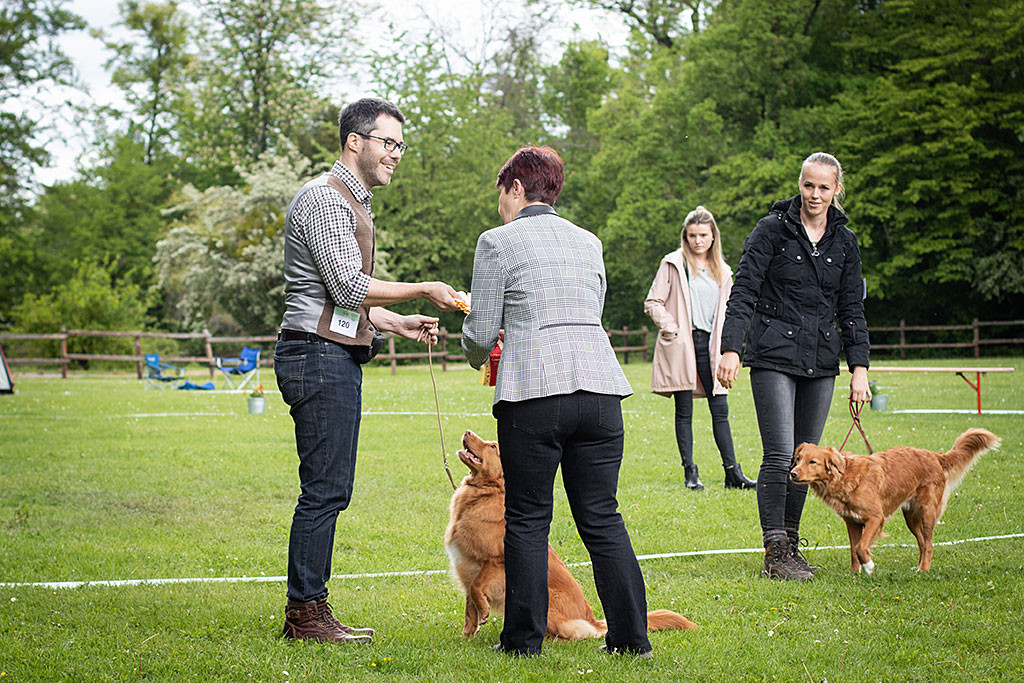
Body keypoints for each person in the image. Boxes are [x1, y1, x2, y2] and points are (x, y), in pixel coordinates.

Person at [274, 97, 461, 642]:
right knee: (325, 491)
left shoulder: (351, 202)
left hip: (328, 351)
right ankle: (305, 616)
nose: (396, 154)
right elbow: (349, 287)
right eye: (388, 142)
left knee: (330, 488)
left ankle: (309, 609)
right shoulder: (325, 200)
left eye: (400, 144)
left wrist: (397, 323)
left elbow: (347, 299)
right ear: (355, 141)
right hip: (316, 355)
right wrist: (425, 286)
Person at [462, 146, 654, 658]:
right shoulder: (589, 242)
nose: (499, 206)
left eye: (501, 195)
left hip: (534, 395)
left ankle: (522, 643)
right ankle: (633, 639)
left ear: (516, 189)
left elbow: (481, 332)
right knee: (602, 516)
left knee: (526, 518)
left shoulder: (496, 243)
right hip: (600, 393)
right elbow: (591, 309)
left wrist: (468, 342)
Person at [716, 152, 871, 581]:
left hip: (821, 360)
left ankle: (792, 547)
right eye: (808, 185)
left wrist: (859, 367)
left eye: (824, 187)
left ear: (837, 189)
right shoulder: (771, 230)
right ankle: (775, 552)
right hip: (772, 356)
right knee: (782, 454)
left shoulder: (845, 241)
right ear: (799, 185)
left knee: (807, 457)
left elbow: (852, 308)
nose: (815, 194)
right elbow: (743, 291)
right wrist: (732, 349)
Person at [644, 206, 756, 491]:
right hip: (683, 343)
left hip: (713, 346)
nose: (698, 241)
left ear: (712, 236)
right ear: (686, 236)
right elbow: (653, 302)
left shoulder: (724, 271)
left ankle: (733, 472)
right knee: (684, 411)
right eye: (692, 235)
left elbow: (732, 311)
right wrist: (672, 328)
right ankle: (690, 472)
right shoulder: (673, 264)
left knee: (720, 409)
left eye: (703, 235)